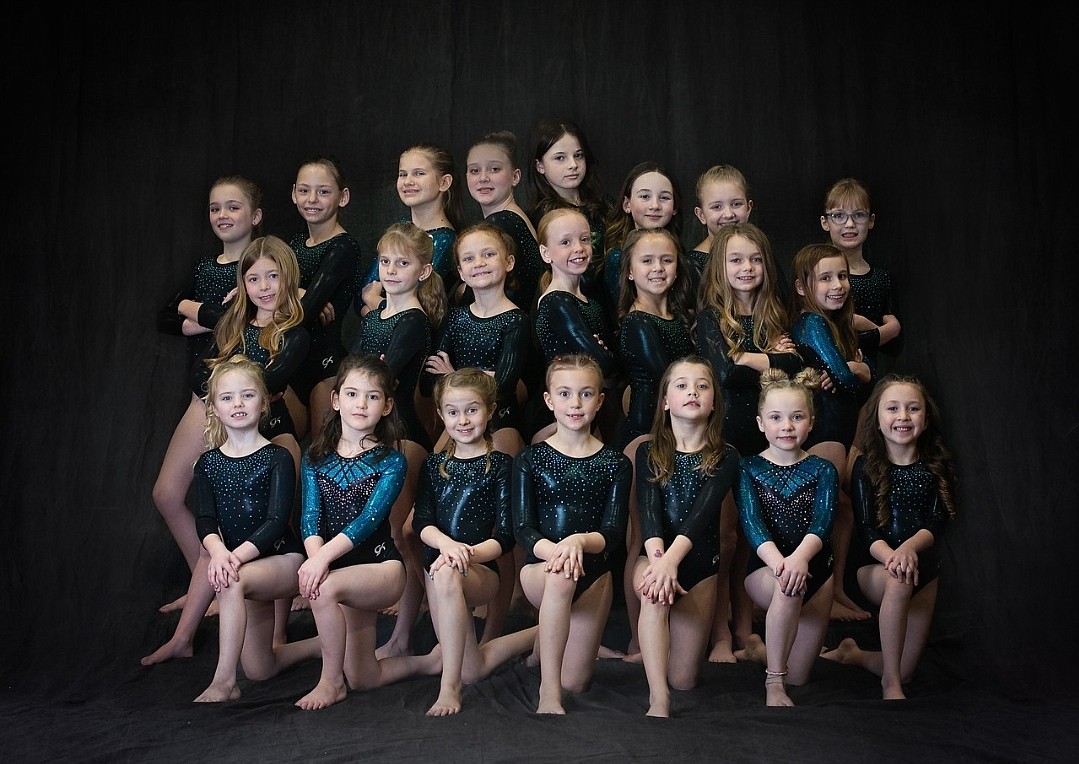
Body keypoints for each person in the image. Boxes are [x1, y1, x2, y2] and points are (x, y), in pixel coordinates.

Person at [144, 236, 311, 665]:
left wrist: (225, 382)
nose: (264, 286)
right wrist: (190, 311)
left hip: (274, 434)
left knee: (275, 523)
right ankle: (184, 637)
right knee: (211, 536)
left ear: (288, 278)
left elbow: (266, 387)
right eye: (254, 278)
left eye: (273, 276)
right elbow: (210, 372)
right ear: (242, 284)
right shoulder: (233, 323)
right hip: (230, 430)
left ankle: (276, 632)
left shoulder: (295, 333)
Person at [379, 368, 539, 716]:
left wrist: (465, 554)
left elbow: (505, 537)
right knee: (473, 669)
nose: (462, 420)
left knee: (449, 574)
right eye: (453, 412)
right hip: (440, 566)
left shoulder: (499, 465)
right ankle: (543, 632)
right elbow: (422, 523)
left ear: (491, 410)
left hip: (481, 569)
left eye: (472, 410)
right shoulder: (435, 465)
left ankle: (447, 688)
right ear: (440, 414)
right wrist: (447, 546)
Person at [695, 222, 803, 661]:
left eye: (755, 259)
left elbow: (795, 370)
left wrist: (753, 358)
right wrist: (771, 359)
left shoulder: (776, 317)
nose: (747, 267)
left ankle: (744, 627)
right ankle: (719, 631)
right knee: (722, 538)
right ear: (720, 268)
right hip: (723, 436)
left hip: (767, 440)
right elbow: (725, 373)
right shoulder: (708, 318)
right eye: (736, 260)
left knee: (749, 537)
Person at [422, 222, 529, 643]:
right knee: (423, 514)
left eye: (488, 254)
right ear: (460, 273)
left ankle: (500, 620)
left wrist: (459, 377)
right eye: (469, 258)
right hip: (460, 421)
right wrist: (472, 379)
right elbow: (431, 376)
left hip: (500, 424)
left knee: (499, 526)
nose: (479, 263)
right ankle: (450, 613)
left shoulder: (517, 319)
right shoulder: (457, 317)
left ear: (508, 262)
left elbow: (504, 385)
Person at [822, 374, 957, 700]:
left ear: (925, 420)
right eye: (893, 408)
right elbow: (867, 528)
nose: (903, 416)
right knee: (898, 580)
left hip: (924, 568)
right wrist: (894, 557)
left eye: (913, 409)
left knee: (908, 670)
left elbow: (938, 520)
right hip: (876, 567)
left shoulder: (935, 466)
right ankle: (889, 684)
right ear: (878, 420)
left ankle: (852, 654)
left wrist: (910, 548)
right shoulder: (866, 467)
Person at [190, 356, 317, 702]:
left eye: (247, 395)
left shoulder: (277, 457)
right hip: (241, 562)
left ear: (263, 403)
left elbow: (276, 522)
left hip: (282, 560)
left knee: (230, 580)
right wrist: (218, 551)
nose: (238, 404)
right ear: (213, 407)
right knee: (261, 668)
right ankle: (322, 644)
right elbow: (204, 518)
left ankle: (224, 681)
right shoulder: (208, 462)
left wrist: (232, 559)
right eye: (227, 397)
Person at [512, 354, 631, 714]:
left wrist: (579, 541)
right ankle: (549, 692)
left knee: (576, 682)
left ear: (600, 400)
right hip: (542, 570)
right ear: (549, 400)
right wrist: (559, 551)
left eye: (585, 394)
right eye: (564, 394)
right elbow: (523, 529)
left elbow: (612, 532)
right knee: (562, 575)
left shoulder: (616, 463)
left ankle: (541, 641)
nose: (575, 404)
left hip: (593, 576)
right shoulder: (530, 459)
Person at [350, 222, 445, 660]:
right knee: (384, 534)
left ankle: (410, 633)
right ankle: (382, 632)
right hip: (372, 435)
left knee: (401, 536)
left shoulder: (413, 321)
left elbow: (377, 376)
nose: (390, 270)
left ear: (423, 271)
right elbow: (356, 371)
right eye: (385, 261)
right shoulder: (378, 317)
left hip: (403, 435)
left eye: (402, 263)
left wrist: (361, 380)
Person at [293, 354, 409, 710]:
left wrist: (320, 564)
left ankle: (330, 683)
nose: (361, 404)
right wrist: (317, 561)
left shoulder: (391, 460)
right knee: (365, 677)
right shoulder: (315, 456)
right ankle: (431, 662)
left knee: (323, 589)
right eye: (353, 394)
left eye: (373, 396)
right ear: (336, 399)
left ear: (387, 405)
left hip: (381, 570)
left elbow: (367, 522)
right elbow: (310, 518)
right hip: (339, 569)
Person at [631, 357, 739, 717]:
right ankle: (657, 696)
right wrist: (661, 564)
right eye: (681, 385)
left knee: (685, 679)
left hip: (699, 564)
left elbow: (699, 518)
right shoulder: (648, 451)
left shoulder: (727, 456)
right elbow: (649, 516)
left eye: (702, 385)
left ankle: (667, 675)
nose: (692, 391)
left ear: (713, 402)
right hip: (655, 555)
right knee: (651, 589)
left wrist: (673, 563)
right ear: (665, 401)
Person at [613, 228, 696, 658]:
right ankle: (635, 636)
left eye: (666, 260)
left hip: (681, 435)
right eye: (646, 261)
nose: (658, 268)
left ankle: (675, 630)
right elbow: (671, 379)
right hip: (645, 434)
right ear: (628, 271)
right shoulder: (636, 323)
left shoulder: (679, 320)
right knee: (642, 538)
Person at [734, 368, 836, 707]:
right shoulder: (748, 467)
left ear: (811, 422)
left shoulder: (824, 469)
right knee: (787, 587)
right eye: (776, 417)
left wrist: (800, 559)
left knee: (802, 676)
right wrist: (782, 565)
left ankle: (761, 649)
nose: (787, 426)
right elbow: (752, 523)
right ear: (761, 422)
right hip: (766, 570)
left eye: (797, 417)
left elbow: (822, 522)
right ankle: (774, 683)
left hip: (816, 572)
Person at [789, 242, 875, 621]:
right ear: (802, 287)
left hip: (841, 428)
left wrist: (859, 371)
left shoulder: (838, 324)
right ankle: (822, 596)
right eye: (825, 278)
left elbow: (863, 377)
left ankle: (836, 589)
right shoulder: (811, 322)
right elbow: (844, 376)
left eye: (841, 275)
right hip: (823, 428)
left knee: (841, 510)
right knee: (823, 513)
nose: (837, 284)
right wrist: (855, 370)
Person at [286, 155, 363, 441]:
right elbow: (271, 293)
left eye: (324, 191)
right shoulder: (294, 245)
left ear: (342, 197)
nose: (312, 199)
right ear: (294, 193)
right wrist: (296, 291)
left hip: (324, 364)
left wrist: (294, 295)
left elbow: (305, 312)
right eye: (304, 190)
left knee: (322, 458)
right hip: (290, 361)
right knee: (280, 450)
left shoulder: (343, 247)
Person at [157, 175, 264, 375]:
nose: (222, 214)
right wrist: (206, 322)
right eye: (215, 209)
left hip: (242, 380)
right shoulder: (203, 266)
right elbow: (164, 318)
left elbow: (247, 316)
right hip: (201, 378)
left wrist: (185, 307)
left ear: (255, 216)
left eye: (233, 207)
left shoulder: (262, 267)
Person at [531, 207, 621, 443]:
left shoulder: (589, 301)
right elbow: (604, 361)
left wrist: (604, 351)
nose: (578, 248)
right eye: (565, 242)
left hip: (588, 405)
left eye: (584, 239)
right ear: (545, 253)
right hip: (560, 414)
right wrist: (602, 351)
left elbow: (615, 357)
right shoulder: (556, 302)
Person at [359, 143, 462, 316]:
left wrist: (372, 301)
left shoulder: (446, 240)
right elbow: (362, 293)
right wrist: (371, 303)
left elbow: (413, 311)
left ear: (444, 182)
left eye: (419, 173)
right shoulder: (400, 229)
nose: (408, 181)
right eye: (403, 174)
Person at [527, 118, 613, 304]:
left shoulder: (606, 204)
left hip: (612, 301)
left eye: (578, 155)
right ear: (540, 166)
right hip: (572, 303)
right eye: (560, 158)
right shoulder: (541, 216)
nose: (573, 164)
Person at [819, 178, 901, 373]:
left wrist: (882, 331)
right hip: (827, 375)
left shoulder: (881, 278)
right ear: (825, 222)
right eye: (838, 215)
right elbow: (824, 334)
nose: (849, 224)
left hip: (869, 375)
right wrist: (884, 331)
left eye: (858, 215)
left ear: (871, 220)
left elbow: (894, 346)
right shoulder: (815, 273)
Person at [464, 130, 544, 312]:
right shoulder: (511, 217)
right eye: (475, 170)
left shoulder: (501, 222)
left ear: (515, 177)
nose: (483, 178)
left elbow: (473, 299)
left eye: (494, 169)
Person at [602, 161, 682, 306]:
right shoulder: (617, 257)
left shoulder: (679, 252)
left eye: (664, 198)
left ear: (675, 207)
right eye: (645, 196)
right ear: (627, 205)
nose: (655, 206)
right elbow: (620, 311)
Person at [687, 165, 753, 293]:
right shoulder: (692, 266)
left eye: (736, 204)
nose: (728, 214)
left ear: (749, 208)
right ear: (701, 215)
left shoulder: (761, 256)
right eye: (717, 207)